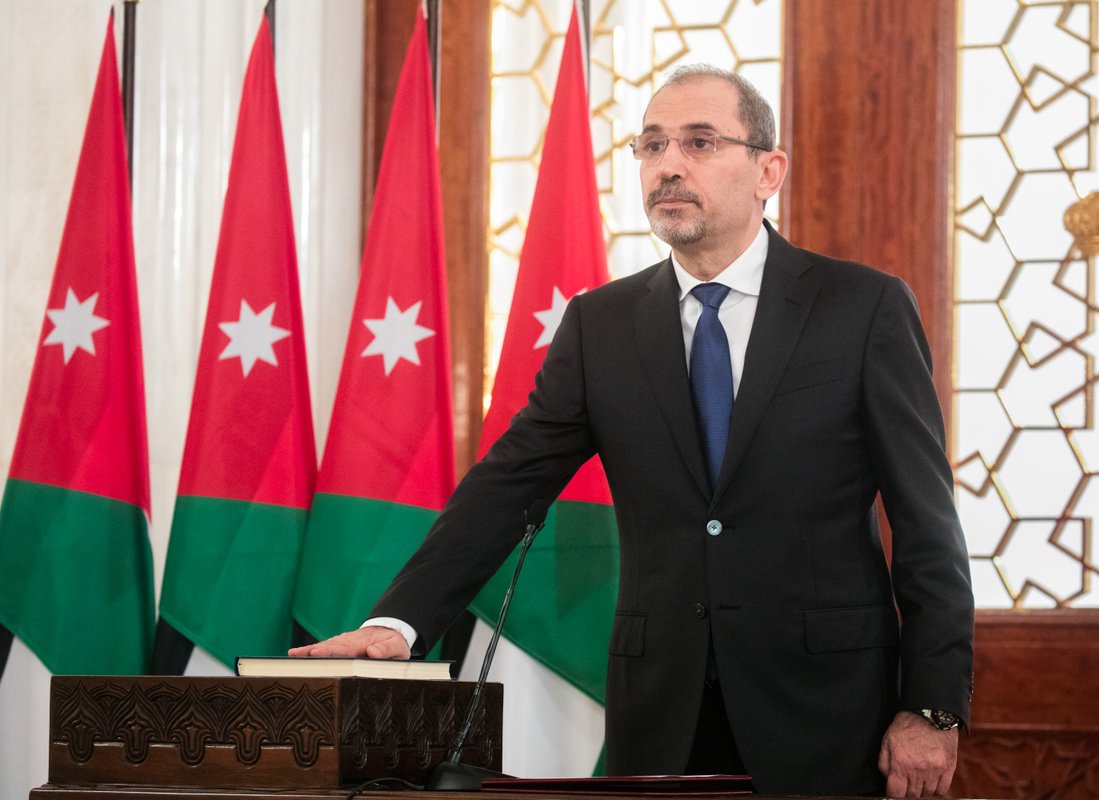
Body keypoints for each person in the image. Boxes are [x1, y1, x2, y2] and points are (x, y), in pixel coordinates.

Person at [291, 64, 973, 799]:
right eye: (652, 146)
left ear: (768, 171)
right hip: (662, 715)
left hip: (830, 714)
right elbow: (507, 485)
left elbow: (927, 523)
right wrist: (399, 624)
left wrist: (932, 706)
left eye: (700, 142)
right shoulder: (601, 325)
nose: (668, 165)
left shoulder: (862, 309)